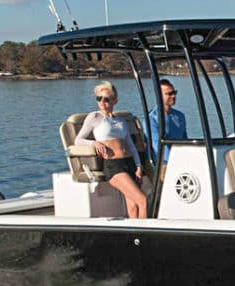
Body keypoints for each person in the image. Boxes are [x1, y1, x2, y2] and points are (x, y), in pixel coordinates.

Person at [74, 81, 148, 219]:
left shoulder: (121, 121)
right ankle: (146, 236)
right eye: (99, 98)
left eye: (106, 99)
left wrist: (138, 166)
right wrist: (94, 143)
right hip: (114, 166)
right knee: (143, 200)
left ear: (115, 101)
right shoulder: (94, 117)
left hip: (129, 163)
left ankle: (134, 237)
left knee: (133, 207)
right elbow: (78, 140)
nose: (102, 102)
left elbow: (131, 145)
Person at [148, 78, 188, 163]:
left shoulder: (180, 116)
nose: (173, 96)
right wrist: (174, 162)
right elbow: (158, 147)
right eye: (169, 94)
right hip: (162, 163)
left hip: (181, 159)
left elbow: (185, 140)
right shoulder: (152, 119)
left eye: (174, 93)